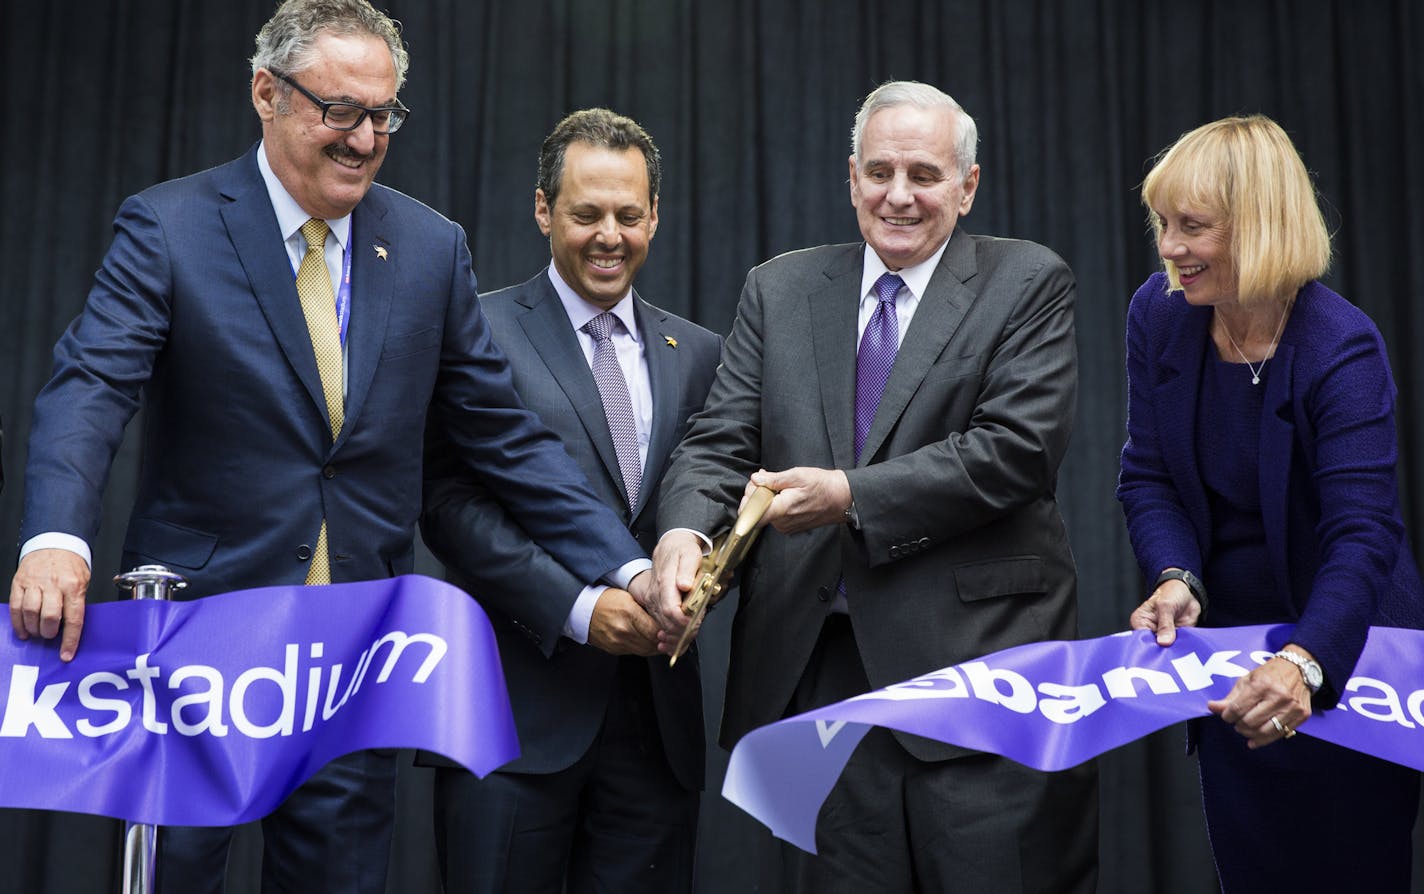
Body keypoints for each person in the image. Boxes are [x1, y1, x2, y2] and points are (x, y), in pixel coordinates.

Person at [8, 2, 654, 891]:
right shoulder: (171, 227)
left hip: (349, 668)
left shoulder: (429, 247)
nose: (364, 137)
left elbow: (505, 440)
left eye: (383, 114)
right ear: (266, 93)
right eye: (340, 110)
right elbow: (90, 387)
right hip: (200, 659)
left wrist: (626, 570)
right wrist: (55, 540)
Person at [645, 80, 1098, 893]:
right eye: (880, 171)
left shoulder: (1026, 281)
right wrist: (684, 534)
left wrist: (850, 495)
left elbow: (1015, 450)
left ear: (968, 186)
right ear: (850, 177)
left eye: (924, 174)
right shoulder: (779, 290)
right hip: (824, 685)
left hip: (982, 681)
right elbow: (718, 446)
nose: (899, 195)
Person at [418, 108, 721, 893]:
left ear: (655, 214)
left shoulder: (704, 354)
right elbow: (448, 504)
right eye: (586, 213)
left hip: (657, 728)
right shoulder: (476, 331)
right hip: (513, 716)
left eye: (628, 214)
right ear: (544, 209)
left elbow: (709, 498)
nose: (608, 235)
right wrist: (581, 608)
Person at [1120, 114, 1424, 891]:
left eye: (1193, 227)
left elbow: (1364, 535)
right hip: (1229, 659)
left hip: (1347, 653)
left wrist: (1304, 659)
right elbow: (1148, 476)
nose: (1168, 248)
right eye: (1162, 223)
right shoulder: (1159, 314)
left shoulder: (1339, 346)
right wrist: (1175, 577)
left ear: (1259, 227)